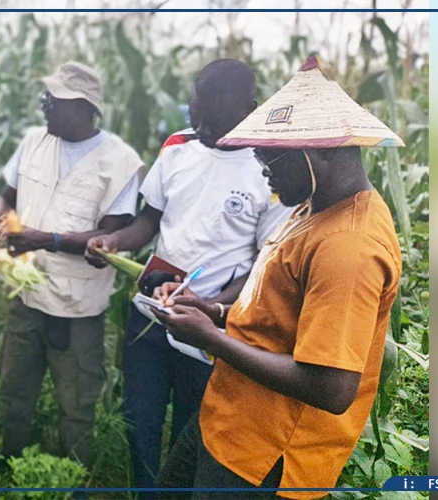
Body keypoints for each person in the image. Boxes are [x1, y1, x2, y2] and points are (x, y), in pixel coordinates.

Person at [152, 55, 404, 498]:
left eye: (270, 159)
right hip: (228, 421)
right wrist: (212, 311)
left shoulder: (349, 247)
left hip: (265, 460)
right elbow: (281, 310)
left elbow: (331, 386)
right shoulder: (312, 207)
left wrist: (209, 339)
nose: (263, 171)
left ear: (317, 152)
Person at [83, 59, 293, 493]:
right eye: (198, 116)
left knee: (189, 434)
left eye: (216, 120)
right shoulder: (178, 146)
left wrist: (212, 309)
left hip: (207, 332)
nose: (206, 128)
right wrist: (115, 243)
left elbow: (262, 264)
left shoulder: (268, 169)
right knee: (139, 423)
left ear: (250, 107)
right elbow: (149, 222)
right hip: (150, 317)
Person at [0, 62, 143, 468]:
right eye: (45, 97)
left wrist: (45, 239)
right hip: (26, 294)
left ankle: (75, 478)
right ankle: (10, 459)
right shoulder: (34, 141)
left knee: (78, 400)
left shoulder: (119, 162)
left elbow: (111, 237)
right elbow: (7, 194)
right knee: (14, 386)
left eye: (53, 100)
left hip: (78, 305)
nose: (44, 106)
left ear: (82, 107)